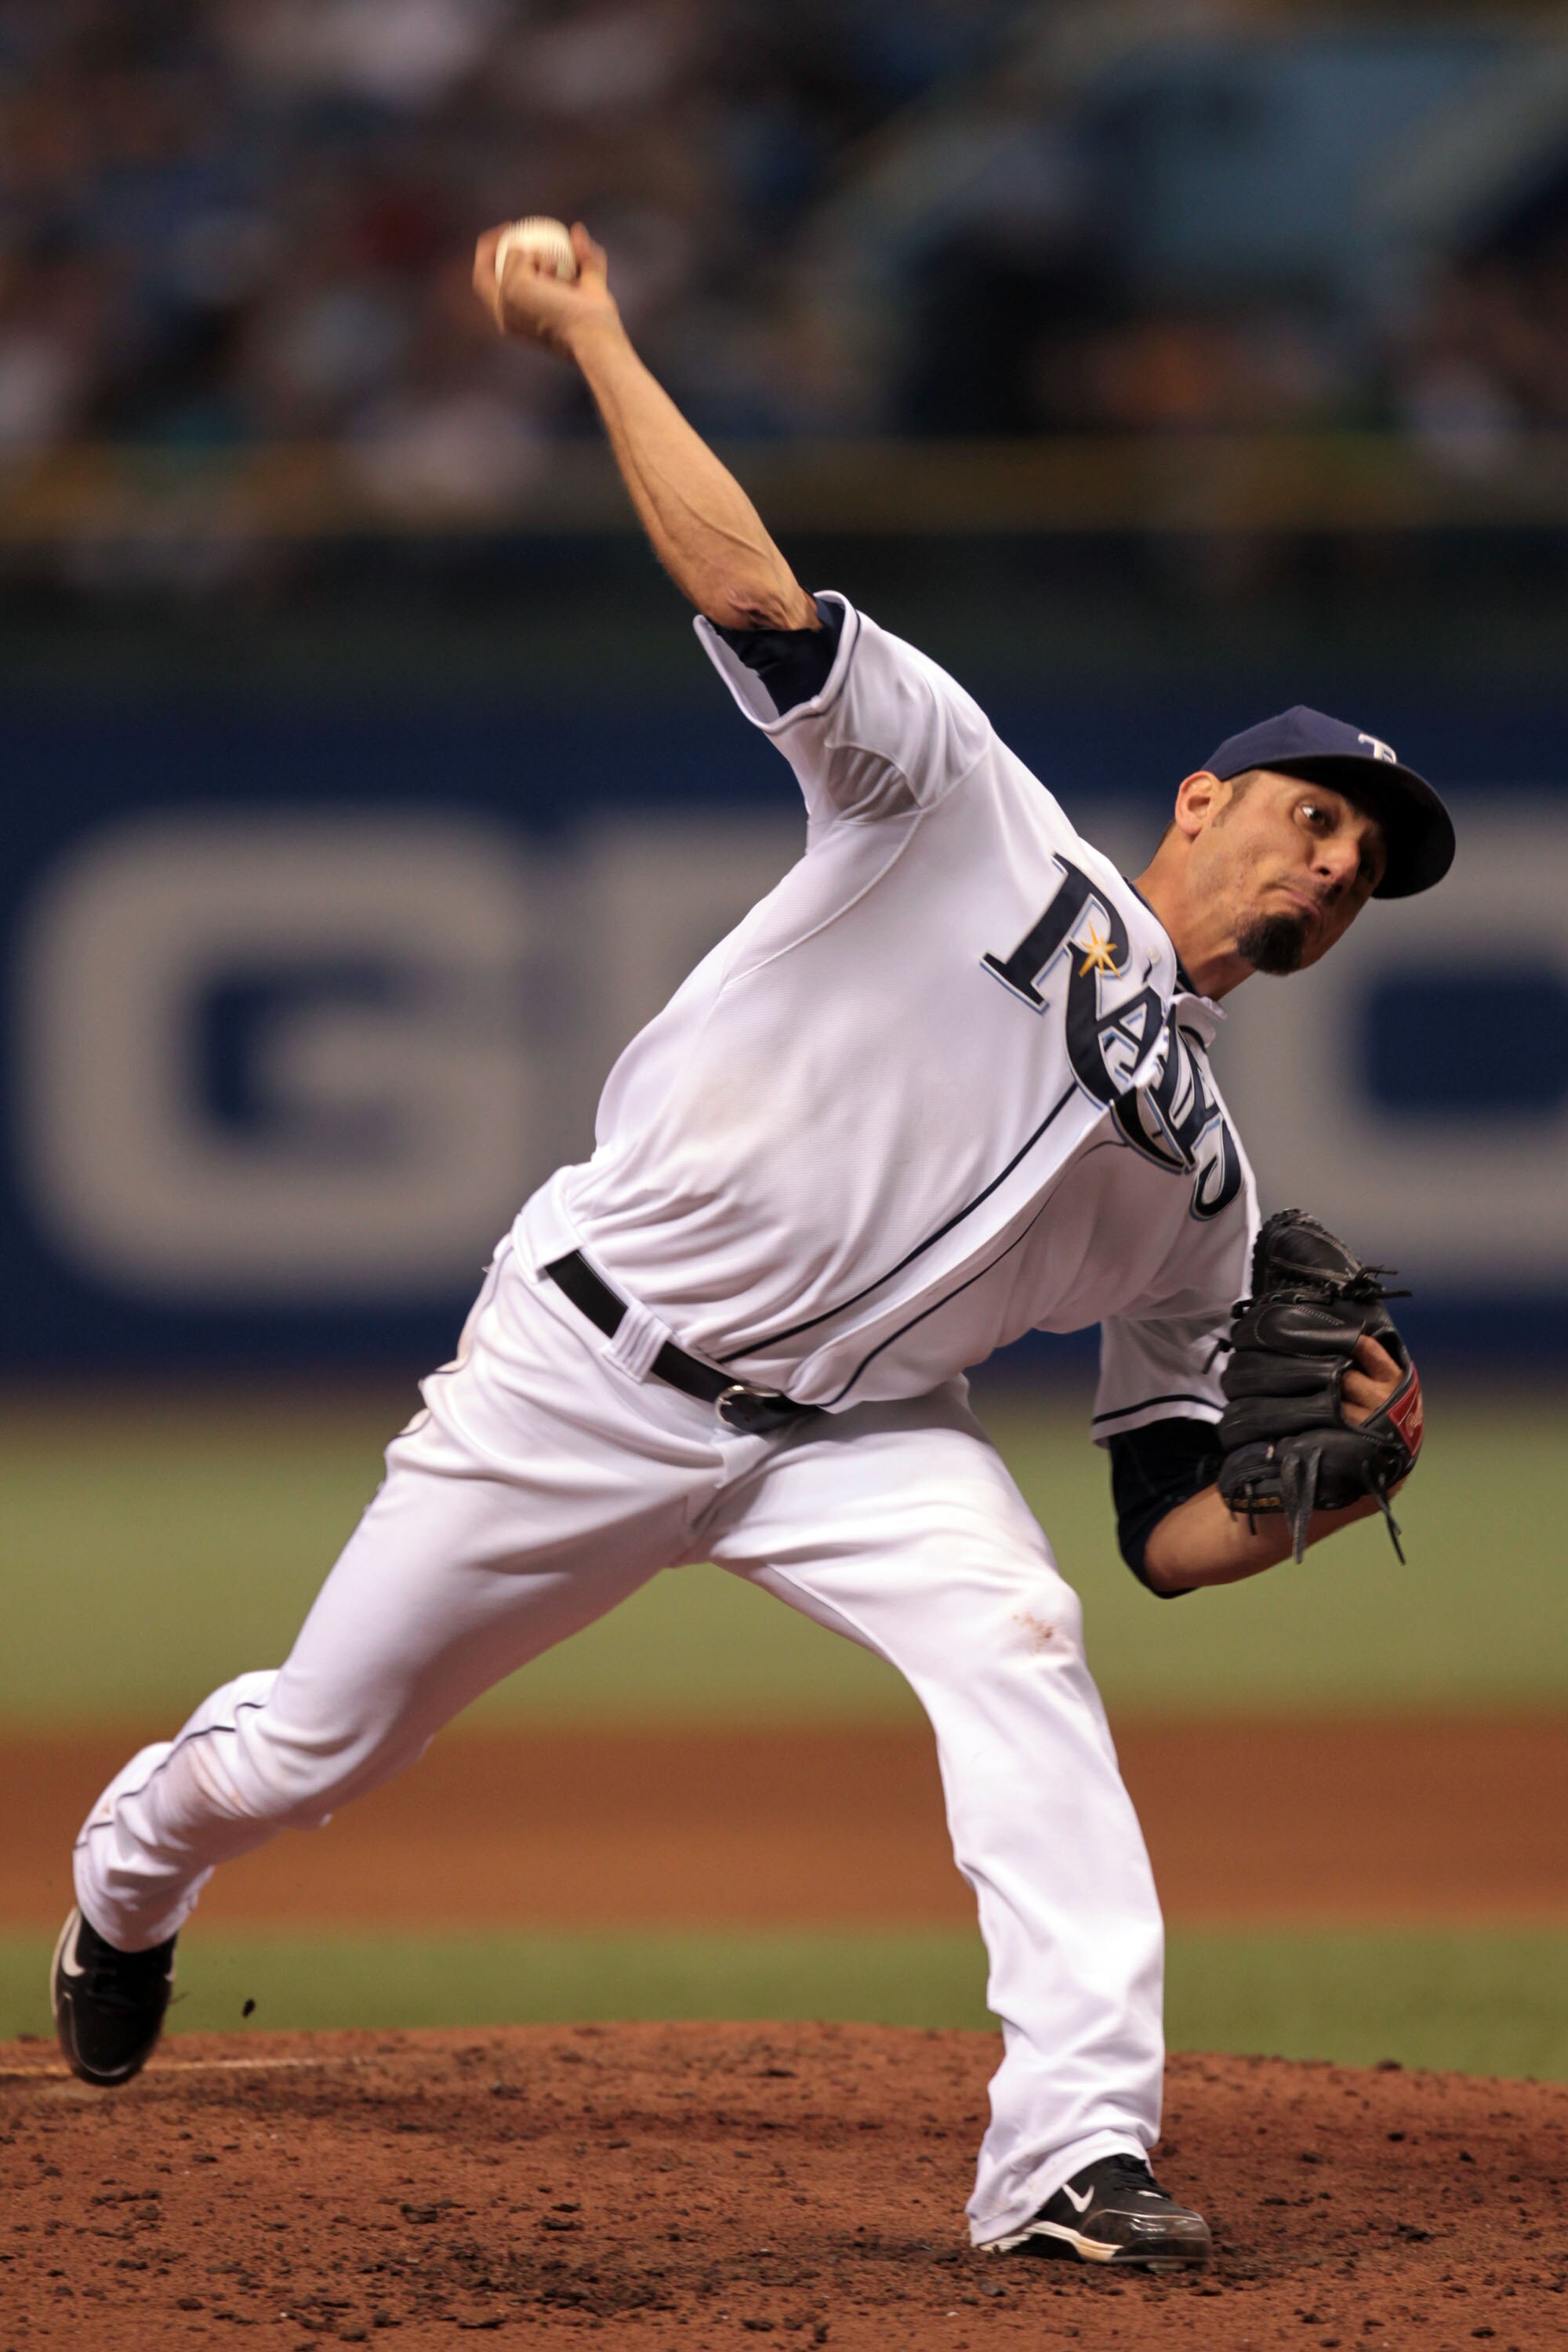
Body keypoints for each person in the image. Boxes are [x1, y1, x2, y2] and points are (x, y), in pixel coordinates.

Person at [53, 223, 1455, 2273]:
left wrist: (1331, 1494)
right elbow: (751, 597)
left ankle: (1071, 2155)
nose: (1336, 868)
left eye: (1367, 866)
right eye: (1317, 818)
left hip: (859, 1441)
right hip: (586, 1364)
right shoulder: (966, 810)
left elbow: (1165, 1521)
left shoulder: (1213, 1186)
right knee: (313, 1747)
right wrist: (599, 331)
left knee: (1025, 1636)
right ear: (1208, 797)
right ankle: (131, 1865)